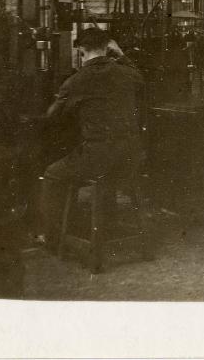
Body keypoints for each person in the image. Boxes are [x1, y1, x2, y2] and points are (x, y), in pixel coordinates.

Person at [34, 28, 145, 247]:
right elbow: (141, 79)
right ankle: (107, 224)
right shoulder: (128, 74)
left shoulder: (76, 81)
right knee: (103, 167)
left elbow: (53, 116)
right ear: (108, 48)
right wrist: (121, 55)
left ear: (81, 51)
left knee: (53, 174)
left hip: (98, 158)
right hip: (131, 157)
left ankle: (52, 238)